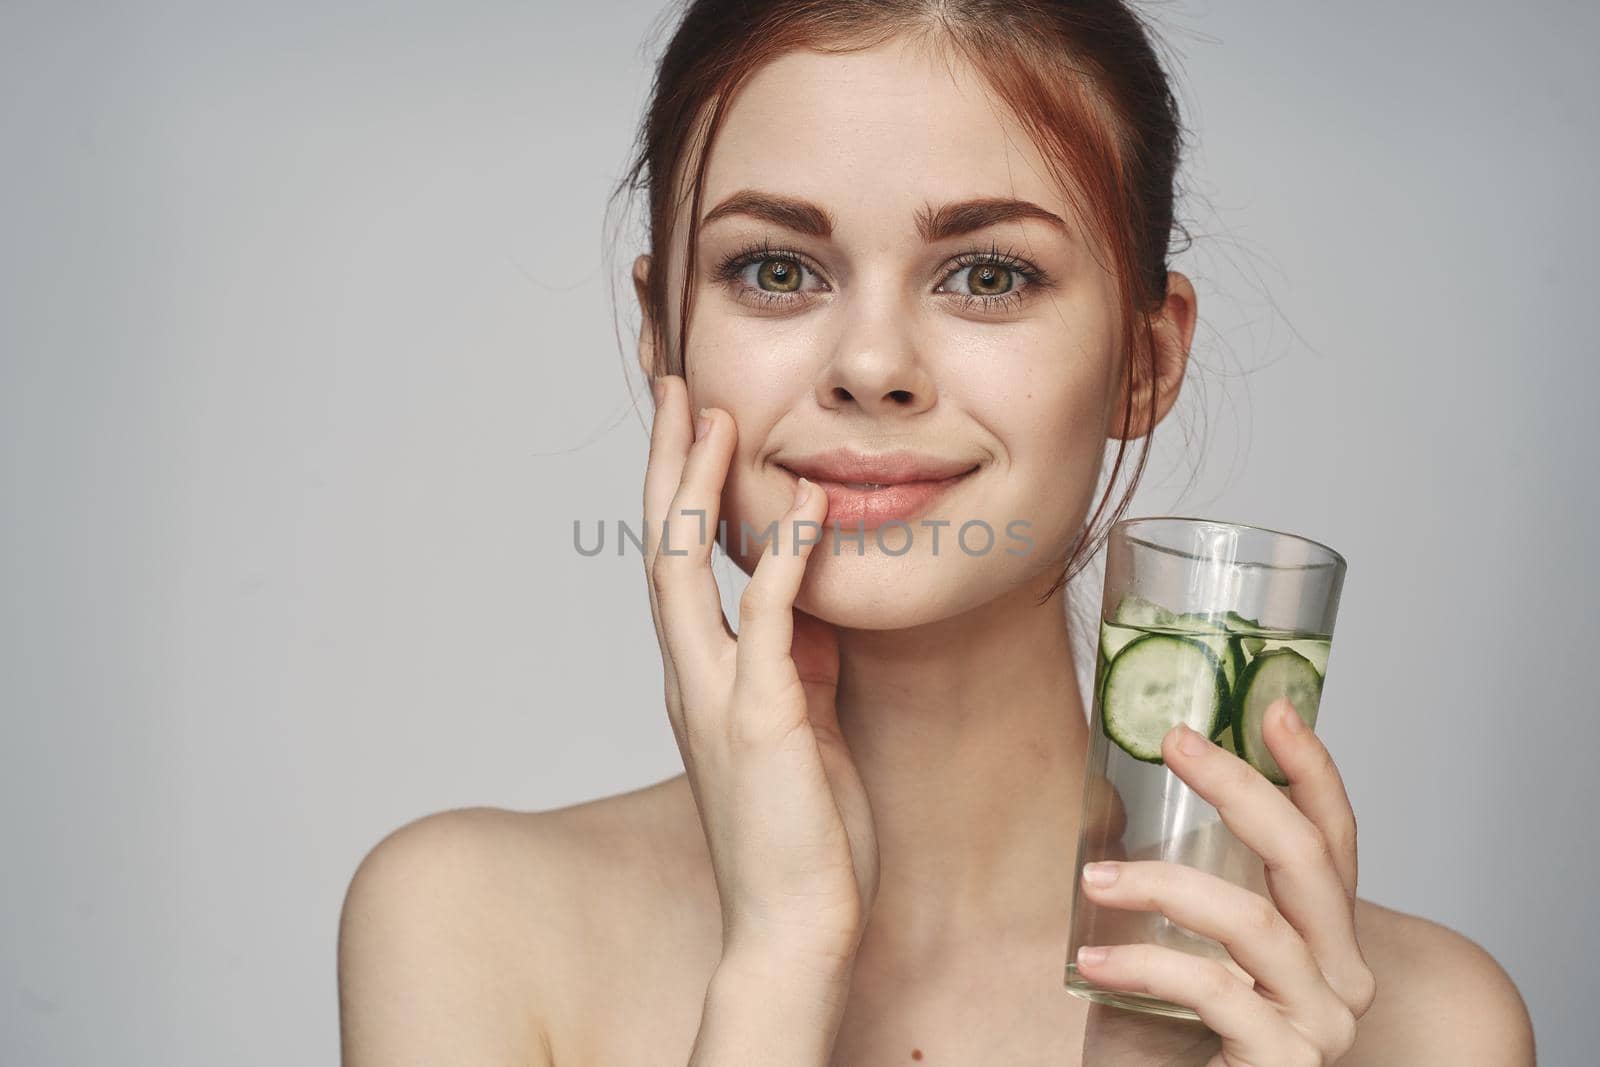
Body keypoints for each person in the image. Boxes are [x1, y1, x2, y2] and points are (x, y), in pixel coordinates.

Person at [337, 3, 1537, 1063]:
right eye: (772, 268)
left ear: (1145, 359)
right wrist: (781, 959)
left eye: (987, 276)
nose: (870, 365)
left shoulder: (1427, 1027)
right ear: (661, 331)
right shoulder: (467, 927)